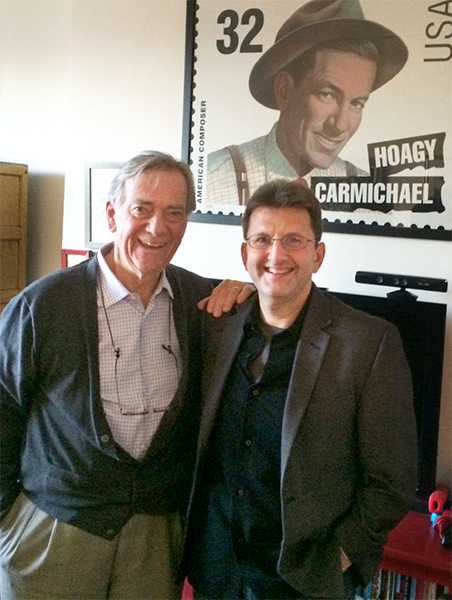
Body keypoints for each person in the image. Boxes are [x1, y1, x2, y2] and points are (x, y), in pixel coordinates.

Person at [0, 151, 252, 600]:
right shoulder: (43, 306)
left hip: (156, 540)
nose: (158, 228)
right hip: (55, 530)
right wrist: (7, 525)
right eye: (143, 209)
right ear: (112, 213)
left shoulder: (205, 304)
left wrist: (251, 294)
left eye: (175, 213)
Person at [185, 179, 418, 599]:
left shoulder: (368, 342)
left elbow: (393, 480)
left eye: (293, 240)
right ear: (245, 254)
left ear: (318, 254)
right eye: (262, 240)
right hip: (215, 571)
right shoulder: (214, 325)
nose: (276, 254)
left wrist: (340, 556)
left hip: (303, 580)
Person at [205, 0, 408, 205]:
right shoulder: (216, 177)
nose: (340, 125)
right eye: (327, 94)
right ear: (284, 91)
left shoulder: (366, 193)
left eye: (356, 103)